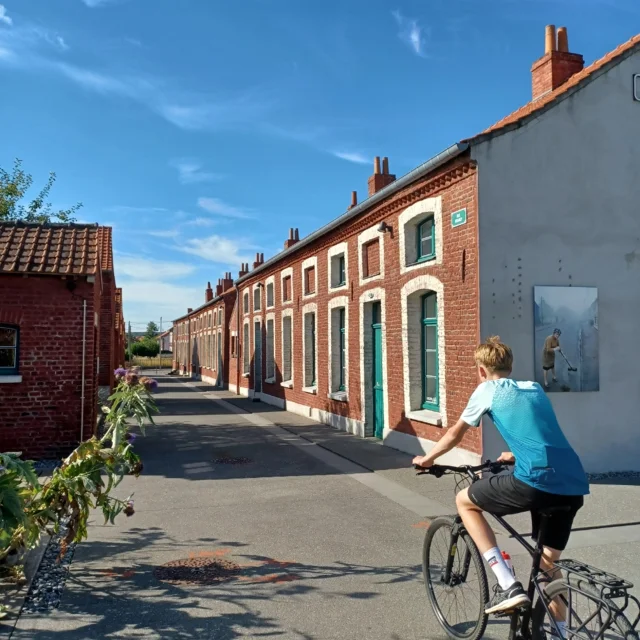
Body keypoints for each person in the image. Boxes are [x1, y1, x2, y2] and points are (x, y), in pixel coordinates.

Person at [413, 336, 589, 629]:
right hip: (573, 483)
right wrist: (518, 455)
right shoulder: (534, 388)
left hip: (536, 482)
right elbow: (540, 435)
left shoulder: (486, 390)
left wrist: (428, 459)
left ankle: (508, 584)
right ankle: (562, 632)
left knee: (465, 501)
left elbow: (456, 434)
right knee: (547, 564)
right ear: (510, 365)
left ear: (481, 370)